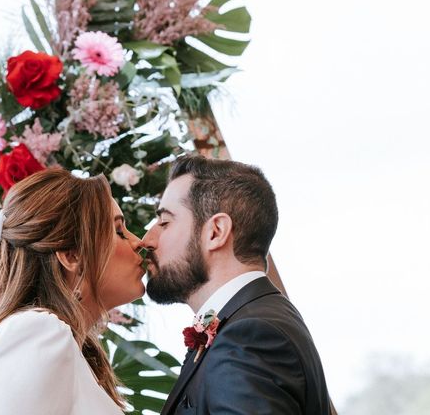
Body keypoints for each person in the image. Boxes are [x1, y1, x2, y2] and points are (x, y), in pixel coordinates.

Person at [0, 167, 145, 415]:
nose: (138, 242)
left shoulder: (57, 343)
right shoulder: (38, 331)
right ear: (71, 255)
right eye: (118, 231)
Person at [142, 155, 332, 415]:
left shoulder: (249, 337)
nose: (147, 240)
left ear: (216, 232)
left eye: (165, 222)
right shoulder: (252, 320)